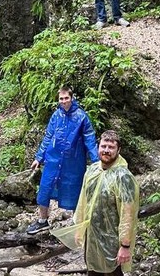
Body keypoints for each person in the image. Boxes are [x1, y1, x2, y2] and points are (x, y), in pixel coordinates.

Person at [52, 130, 140, 275]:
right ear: (98, 147)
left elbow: (128, 213)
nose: (106, 150)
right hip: (91, 238)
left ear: (119, 150)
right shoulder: (92, 170)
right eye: (103, 146)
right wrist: (79, 229)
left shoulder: (123, 177)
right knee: (92, 271)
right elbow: (83, 201)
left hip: (113, 241)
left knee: (113, 272)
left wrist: (125, 245)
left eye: (111, 147)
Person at [27, 86, 98, 234]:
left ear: (72, 98)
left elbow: (90, 139)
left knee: (75, 190)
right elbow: (48, 137)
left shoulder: (81, 117)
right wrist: (38, 157)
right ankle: (42, 220)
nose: (64, 101)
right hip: (53, 159)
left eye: (66, 98)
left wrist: (97, 161)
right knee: (45, 188)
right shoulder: (56, 116)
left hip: (73, 161)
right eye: (61, 98)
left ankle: (76, 223)